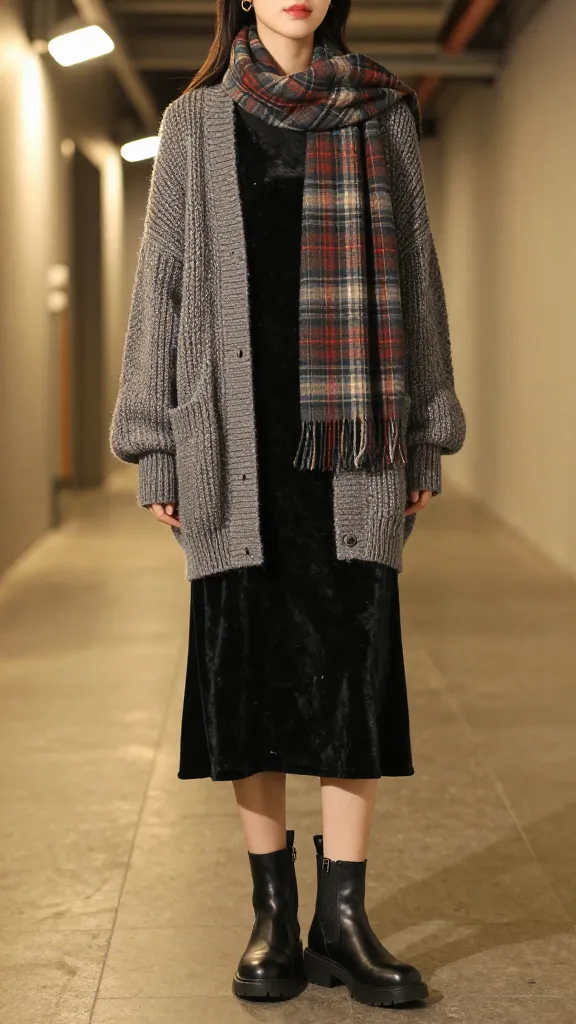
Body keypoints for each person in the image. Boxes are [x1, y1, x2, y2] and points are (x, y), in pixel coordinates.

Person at [111, 0, 465, 1009]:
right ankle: (272, 912)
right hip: (234, 444)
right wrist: (154, 445)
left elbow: (415, 276)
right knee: (251, 674)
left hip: (353, 444)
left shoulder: (380, 112)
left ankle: (343, 919)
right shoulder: (194, 121)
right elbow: (161, 284)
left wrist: (428, 428)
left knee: (354, 670)